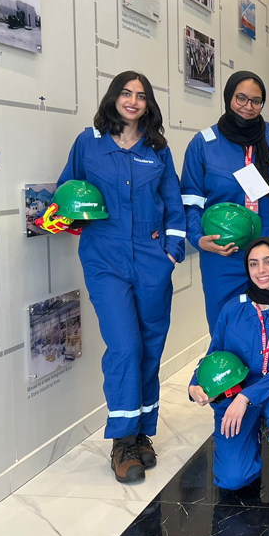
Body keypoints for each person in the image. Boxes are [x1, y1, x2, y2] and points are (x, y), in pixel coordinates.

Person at [53, 71, 185, 483]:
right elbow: (66, 193)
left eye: (141, 96)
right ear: (113, 98)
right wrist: (70, 220)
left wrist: (171, 252)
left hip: (151, 259)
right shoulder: (87, 144)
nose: (133, 101)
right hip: (105, 259)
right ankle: (121, 441)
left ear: (148, 105)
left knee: (150, 345)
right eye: (126, 93)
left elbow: (174, 206)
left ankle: (144, 432)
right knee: (124, 346)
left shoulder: (157, 150)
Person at [180, 71, 269, 329]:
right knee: (226, 327)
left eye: (256, 101)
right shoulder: (204, 143)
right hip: (224, 253)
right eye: (241, 98)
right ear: (229, 97)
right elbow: (191, 199)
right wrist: (197, 238)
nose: (248, 106)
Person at [188, 238, 269, 492]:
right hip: (235, 392)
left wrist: (246, 397)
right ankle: (249, 438)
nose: (262, 271)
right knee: (233, 479)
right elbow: (215, 354)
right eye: (254, 264)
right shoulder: (233, 308)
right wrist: (195, 385)